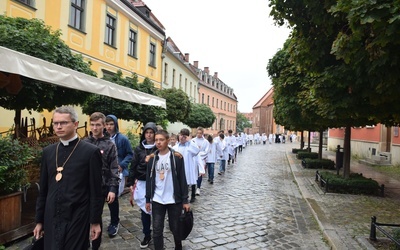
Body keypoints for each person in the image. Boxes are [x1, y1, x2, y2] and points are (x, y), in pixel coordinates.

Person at [33, 106, 103, 249]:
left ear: (75, 124)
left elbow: (96, 190)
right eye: (55, 123)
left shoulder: (90, 152)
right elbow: (44, 189)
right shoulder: (48, 152)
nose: (58, 126)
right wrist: (39, 220)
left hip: (77, 215)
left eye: (63, 123)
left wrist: (95, 221)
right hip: (52, 215)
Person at [145, 130, 190, 250]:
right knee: (157, 230)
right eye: (156, 140)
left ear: (168, 141)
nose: (158, 142)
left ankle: (178, 247)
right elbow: (149, 180)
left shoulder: (176, 157)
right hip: (157, 199)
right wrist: (148, 199)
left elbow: (182, 179)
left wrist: (185, 200)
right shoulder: (152, 159)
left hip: (173, 200)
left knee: (175, 228)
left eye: (161, 140)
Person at [83, 112, 119, 249]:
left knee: (96, 217)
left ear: (104, 126)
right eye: (92, 125)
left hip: (101, 187)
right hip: (85, 186)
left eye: (98, 125)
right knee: (83, 217)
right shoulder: (84, 143)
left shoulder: (109, 145)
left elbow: (114, 168)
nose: (95, 128)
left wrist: (112, 189)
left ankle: (95, 246)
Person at [127, 122, 158, 248]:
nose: (149, 135)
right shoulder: (139, 148)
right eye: (147, 132)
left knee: (157, 210)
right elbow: (133, 165)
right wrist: (130, 182)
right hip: (142, 182)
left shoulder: (159, 147)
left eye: (151, 132)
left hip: (156, 183)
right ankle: (146, 234)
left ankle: (157, 233)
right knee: (144, 210)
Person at [105, 115, 134, 237]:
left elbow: (130, 154)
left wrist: (122, 164)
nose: (109, 127)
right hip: (105, 172)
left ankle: (114, 222)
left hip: (118, 172)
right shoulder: (104, 139)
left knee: (113, 197)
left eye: (111, 124)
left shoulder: (123, 139)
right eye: (107, 124)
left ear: (115, 125)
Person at [173, 128, 199, 203]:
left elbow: (196, 151)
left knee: (185, 189)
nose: (182, 137)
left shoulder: (190, 147)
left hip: (186, 171)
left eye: (184, 136)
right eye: (181, 135)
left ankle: (184, 204)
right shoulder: (175, 147)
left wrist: (189, 141)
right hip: (177, 171)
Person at [191, 127, 209, 196]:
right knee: (193, 172)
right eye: (197, 133)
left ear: (202, 133)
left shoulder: (205, 142)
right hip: (194, 159)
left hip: (201, 159)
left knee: (200, 173)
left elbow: (206, 151)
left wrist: (199, 154)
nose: (199, 134)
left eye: (200, 133)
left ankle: (198, 187)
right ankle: (193, 185)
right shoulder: (193, 140)